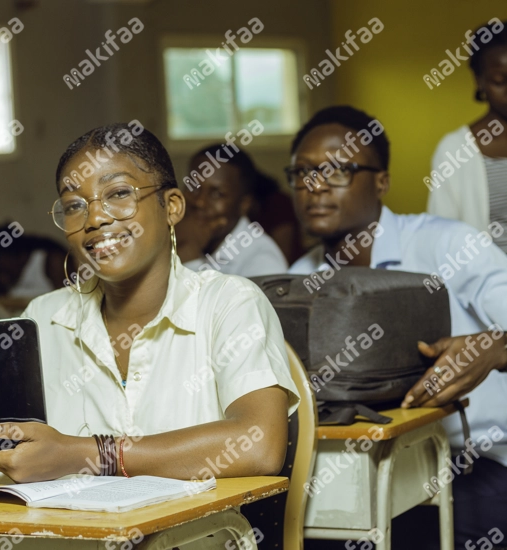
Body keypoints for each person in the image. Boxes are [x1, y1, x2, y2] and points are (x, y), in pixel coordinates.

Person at [0, 123, 299, 548]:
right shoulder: (43, 319)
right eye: (75, 205)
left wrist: (85, 454)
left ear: (171, 206)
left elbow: (259, 443)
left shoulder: (229, 303)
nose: (94, 219)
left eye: (118, 194)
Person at [286, 106, 507, 549]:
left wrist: (495, 345)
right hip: (355, 464)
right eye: (303, 172)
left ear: (381, 181)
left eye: (338, 170)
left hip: (472, 458)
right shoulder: (297, 277)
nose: (314, 187)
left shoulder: (446, 244)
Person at [428, 19, 507, 253]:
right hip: (488, 285)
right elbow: (443, 234)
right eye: (499, 81)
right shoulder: (454, 149)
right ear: (480, 81)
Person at [177, 144, 288, 277]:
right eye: (193, 187)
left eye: (217, 194)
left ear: (244, 205)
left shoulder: (263, 261)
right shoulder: (178, 236)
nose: (199, 202)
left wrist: (190, 258)